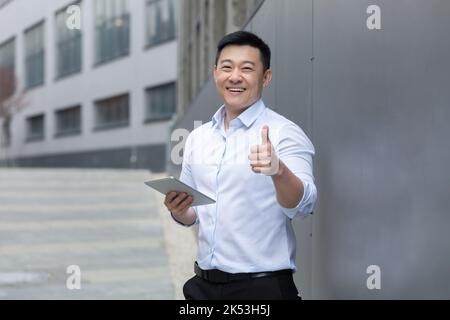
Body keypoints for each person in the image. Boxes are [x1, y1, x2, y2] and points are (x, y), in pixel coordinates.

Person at [164, 31, 317, 300]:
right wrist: (180, 211)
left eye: (247, 69)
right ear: (215, 73)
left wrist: (278, 171)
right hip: (202, 287)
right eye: (227, 67)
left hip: (262, 290)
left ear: (265, 77)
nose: (235, 76)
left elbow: (304, 206)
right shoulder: (198, 138)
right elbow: (194, 214)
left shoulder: (284, 133)